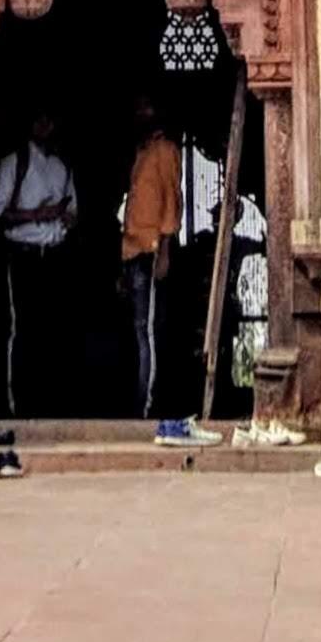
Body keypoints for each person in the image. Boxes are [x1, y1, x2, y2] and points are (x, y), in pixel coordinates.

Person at [0, 110, 76, 424]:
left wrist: (62, 216)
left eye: (50, 120)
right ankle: (17, 403)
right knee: (19, 329)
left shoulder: (60, 167)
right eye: (41, 119)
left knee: (50, 329)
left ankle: (47, 400)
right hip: (21, 255)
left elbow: (72, 211)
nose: (46, 126)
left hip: (53, 254)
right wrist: (37, 214)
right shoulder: (15, 163)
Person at [121, 96, 183, 422]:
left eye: (145, 107)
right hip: (133, 249)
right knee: (139, 329)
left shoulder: (165, 151)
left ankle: (148, 405)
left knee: (148, 332)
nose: (139, 113)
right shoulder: (142, 152)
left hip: (152, 249)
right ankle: (141, 398)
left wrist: (166, 251)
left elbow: (172, 201)